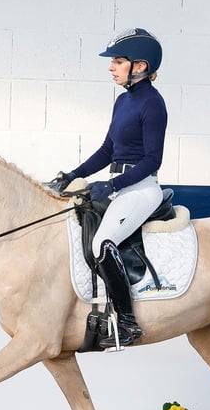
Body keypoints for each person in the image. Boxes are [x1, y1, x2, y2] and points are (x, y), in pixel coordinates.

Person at [46, 27, 167, 348]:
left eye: (117, 61)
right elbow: (106, 151)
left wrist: (111, 185)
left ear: (139, 66)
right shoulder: (123, 102)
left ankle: (128, 323)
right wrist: (72, 174)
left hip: (141, 189)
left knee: (102, 243)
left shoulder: (152, 104)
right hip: (121, 188)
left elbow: (152, 160)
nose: (111, 67)